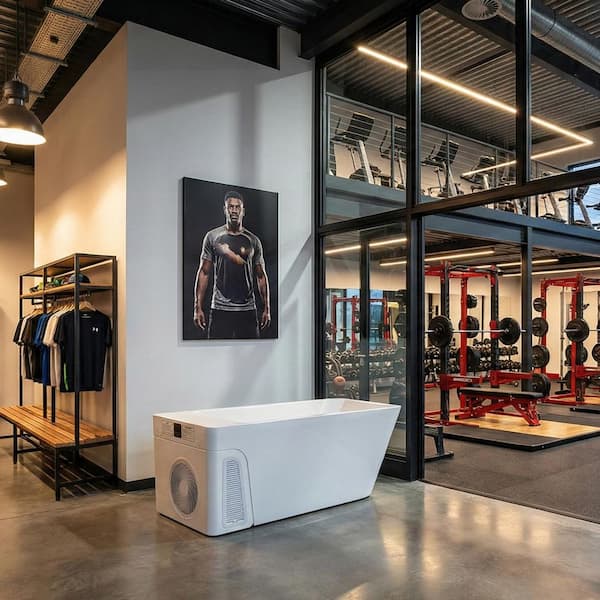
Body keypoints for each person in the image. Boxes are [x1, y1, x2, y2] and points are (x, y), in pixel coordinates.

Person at [193, 190, 271, 339]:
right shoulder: (212, 237)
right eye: (230, 206)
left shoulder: (253, 241)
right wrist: (197, 307)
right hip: (220, 308)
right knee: (214, 351)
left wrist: (267, 309)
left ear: (243, 211)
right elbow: (204, 272)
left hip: (247, 309)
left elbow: (261, 276)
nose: (234, 210)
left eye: (237, 207)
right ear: (225, 209)